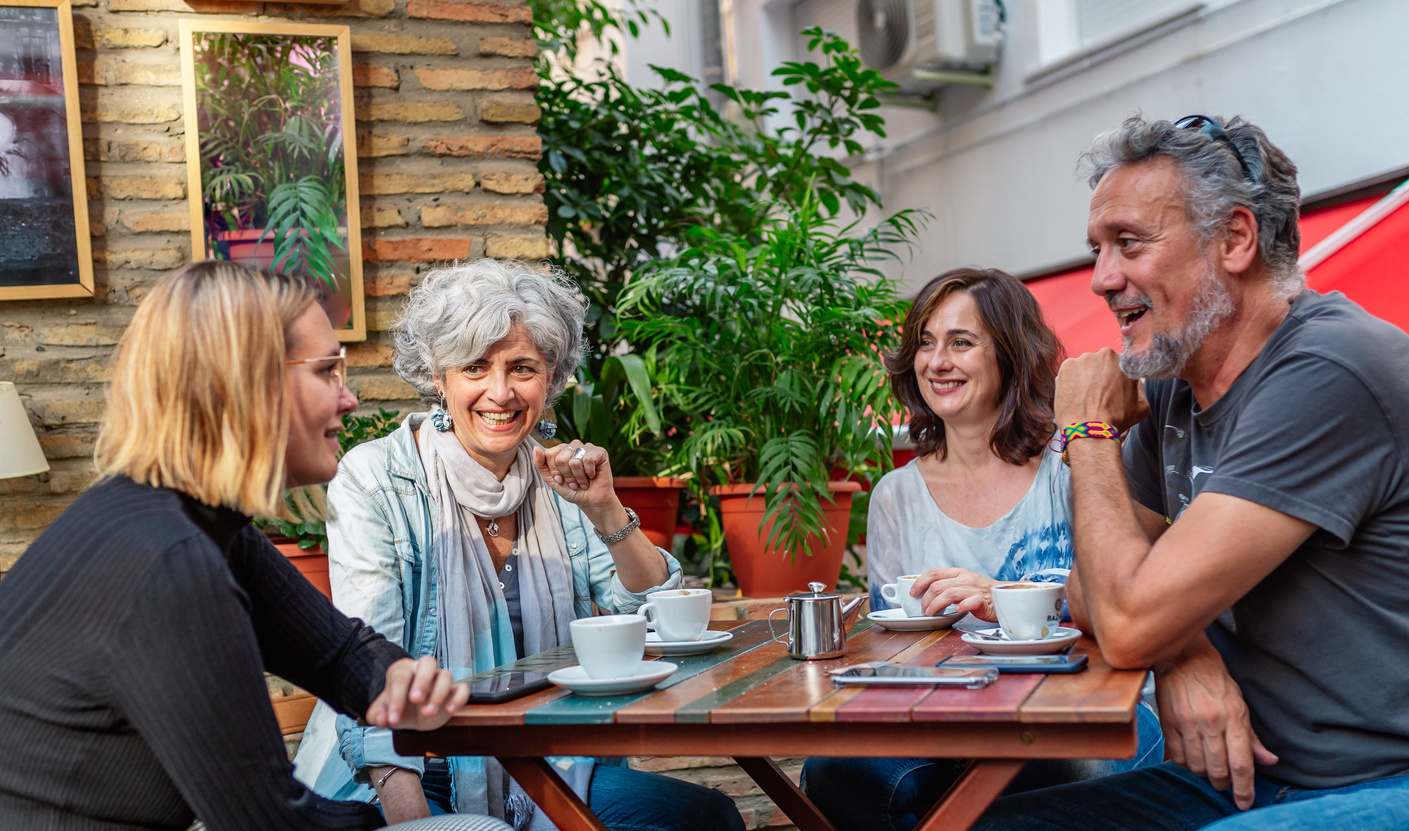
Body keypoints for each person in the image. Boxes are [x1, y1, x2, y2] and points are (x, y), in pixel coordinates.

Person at [972, 115, 1409, 830]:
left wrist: (1085, 430)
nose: (1100, 280)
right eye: (1096, 250)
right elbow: (1096, 595)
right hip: (1242, 779)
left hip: (1376, 782)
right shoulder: (1179, 382)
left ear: (1234, 239)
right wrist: (1185, 652)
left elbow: (1126, 621)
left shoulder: (1329, 370)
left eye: (1128, 244)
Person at [0, 260, 509, 831]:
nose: (349, 399)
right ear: (246, 383)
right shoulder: (166, 562)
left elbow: (338, 653)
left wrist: (396, 680)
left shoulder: (195, 525)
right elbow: (268, 823)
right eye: (326, 373)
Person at [293, 259, 747, 831]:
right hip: (403, 765)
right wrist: (412, 824)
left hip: (547, 758)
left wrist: (603, 507)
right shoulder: (377, 478)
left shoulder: (556, 480)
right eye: (475, 366)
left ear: (551, 377)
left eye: (522, 367)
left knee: (706, 819)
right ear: (439, 377)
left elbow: (649, 609)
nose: (500, 392)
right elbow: (365, 674)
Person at [800, 268, 1163, 831]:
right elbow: (895, 642)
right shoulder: (895, 495)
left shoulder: (1076, 462)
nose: (936, 361)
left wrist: (1005, 597)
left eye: (961, 342)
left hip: (1083, 709)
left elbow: (1138, 603)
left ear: (1010, 356)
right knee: (836, 774)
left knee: (1080, 770)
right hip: (941, 719)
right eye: (925, 342)